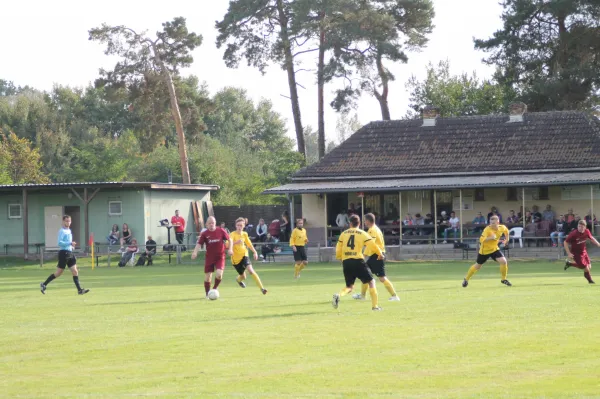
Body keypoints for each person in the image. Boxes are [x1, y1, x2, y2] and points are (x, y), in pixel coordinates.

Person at [332, 215, 384, 311]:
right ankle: (375, 306)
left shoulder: (343, 234)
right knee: (371, 282)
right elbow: (372, 245)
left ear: (350, 223)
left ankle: (338, 295)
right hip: (358, 260)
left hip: (346, 261)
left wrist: (339, 257)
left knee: (349, 286)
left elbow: (338, 247)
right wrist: (379, 254)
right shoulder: (362, 233)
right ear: (359, 223)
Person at [352, 213, 399, 302]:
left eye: (365, 220)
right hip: (375, 256)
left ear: (368, 221)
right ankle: (362, 296)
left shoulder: (372, 230)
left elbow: (371, 245)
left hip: (377, 256)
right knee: (365, 275)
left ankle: (395, 296)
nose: (364, 222)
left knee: (381, 277)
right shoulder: (375, 229)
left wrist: (363, 255)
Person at [40, 215, 89, 295]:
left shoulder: (69, 230)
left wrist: (71, 246)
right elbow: (60, 243)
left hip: (70, 253)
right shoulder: (61, 231)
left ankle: (79, 290)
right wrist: (70, 243)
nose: (68, 222)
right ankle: (44, 284)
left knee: (75, 271)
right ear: (63, 222)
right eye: (66, 221)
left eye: (69, 221)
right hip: (64, 253)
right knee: (59, 273)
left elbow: (67, 243)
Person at [462, 215, 512, 288]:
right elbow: (481, 240)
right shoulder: (487, 229)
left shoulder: (502, 227)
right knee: (478, 266)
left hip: (494, 249)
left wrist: (507, 240)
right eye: (490, 223)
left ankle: (503, 279)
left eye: (493, 223)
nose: (491, 225)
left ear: (498, 222)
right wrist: (490, 238)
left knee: (503, 261)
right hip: (484, 251)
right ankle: (466, 279)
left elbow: (506, 231)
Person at [192, 216, 233, 299]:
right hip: (209, 257)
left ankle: (214, 289)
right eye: (209, 223)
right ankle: (207, 294)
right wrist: (195, 252)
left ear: (215, 223)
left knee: (219, 274)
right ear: (207, 224)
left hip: (220, 257)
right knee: (208, 277)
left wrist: (230, 249)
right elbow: (199, 244)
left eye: (213, 223)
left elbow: (230, 240)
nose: (211, 225)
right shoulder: (205, 234)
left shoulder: (221, 230)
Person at [230, 218, 267, 295]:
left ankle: (262, 288)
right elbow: (227, 245)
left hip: (244, 255)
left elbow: (249, 244)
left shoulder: (245, 234)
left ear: (243, 226)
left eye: (241, 225)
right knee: (243, 276)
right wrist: (236, 242)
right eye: (238, 225)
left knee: (250, 270)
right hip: (236, 260)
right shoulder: (232, 234)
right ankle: (238, 280)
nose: (239, 227)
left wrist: (255, 252)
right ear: (235, 226)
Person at [564, 220, 600, 284]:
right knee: (586, 268)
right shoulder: (574, 233)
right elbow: (565, 242)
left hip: (584, 252)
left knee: (589, 267)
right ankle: (590, 280)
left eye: (581, 227)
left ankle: (570, 264)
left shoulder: (587, 231)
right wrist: (569, 253)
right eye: (579, 226)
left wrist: (598, 244)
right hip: (576, 253)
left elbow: (591, 238)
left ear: (585, 227)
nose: (580, 228)